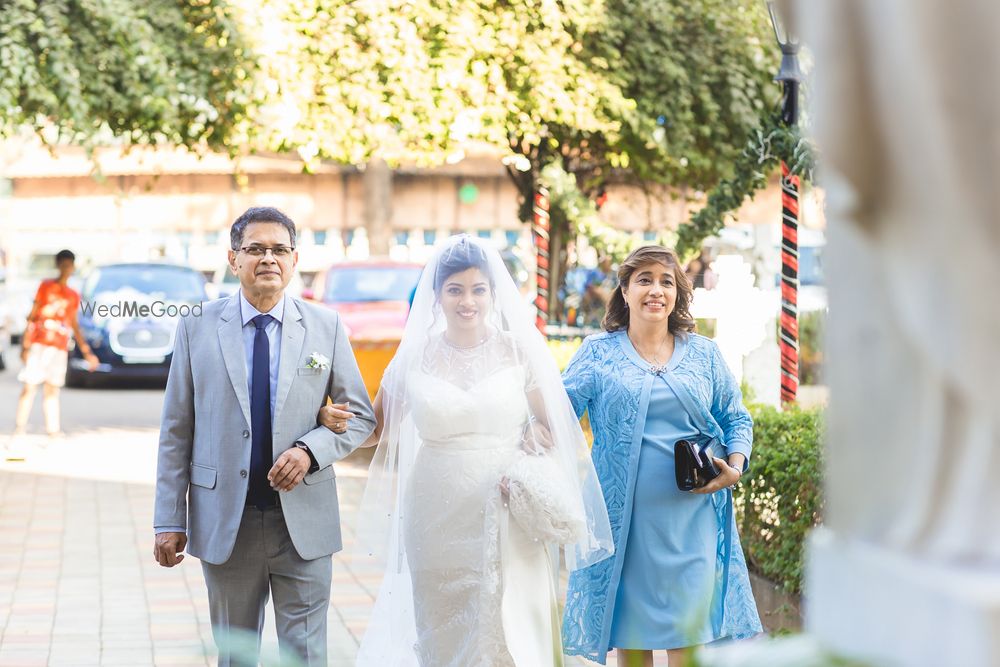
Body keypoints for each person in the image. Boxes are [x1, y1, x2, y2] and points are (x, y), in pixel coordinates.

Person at [320, 235, 613, 666]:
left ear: (494, 294)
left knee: (510, 621)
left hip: (506, 503)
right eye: (455, 289)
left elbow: (557, 428)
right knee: (443, 624)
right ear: (436, 296)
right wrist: (329, 420)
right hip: (435, 510)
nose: (467, 301)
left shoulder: (519, 352)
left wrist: (533, 435)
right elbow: (375, 431)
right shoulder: (413, 357)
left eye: (478, 289)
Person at [153, 207, 375, 667]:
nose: (268, 258)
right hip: (226, 523)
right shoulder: (197, 327)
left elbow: (360, 418)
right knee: (237, 656)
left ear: (295, 261)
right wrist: (168, 519)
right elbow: (176, 430)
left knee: (307, 654)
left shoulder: (325, 327)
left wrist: (311, 450)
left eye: (279, 249)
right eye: (255, 249)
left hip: (303, 523)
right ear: (234, 260)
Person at [560, 246, 762, 667]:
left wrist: (735, 468)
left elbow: (736, 418)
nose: (656, 290)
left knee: (686, 641)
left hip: (693, 522)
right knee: (633, 644)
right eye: (645, 280)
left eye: (666, 281)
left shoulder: (705, 354)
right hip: (624, 526)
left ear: (678, 294)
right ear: (626, 290)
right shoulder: (597, 353)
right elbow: (556, 418)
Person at [14, 249, 98, 437]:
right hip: (39, 344)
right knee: (30, 386)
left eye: (69, 265)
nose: (66, 269)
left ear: (73, 267)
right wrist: (25, 344)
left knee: (52, 389)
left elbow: (74, 325)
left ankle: (53, 430)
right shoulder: (45, 287)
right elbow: (33, 315)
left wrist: (86, 351)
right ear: (58, 265)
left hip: (58, 346)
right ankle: (20, 428)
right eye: (63, 265)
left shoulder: (73, 295)